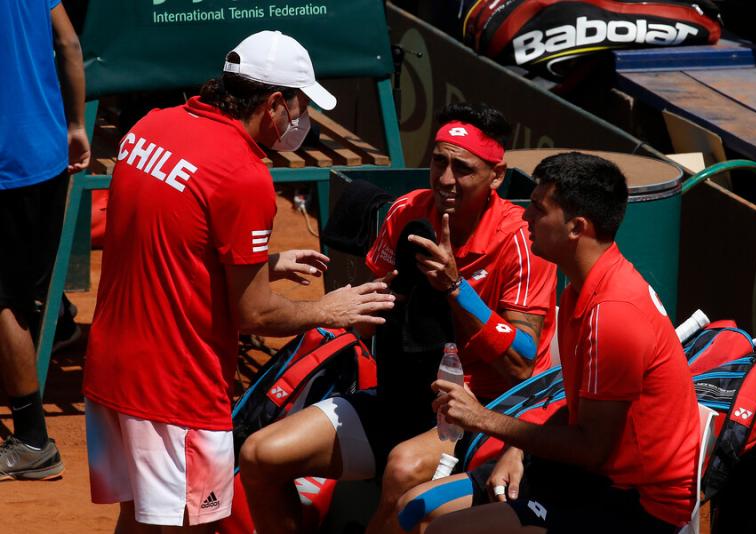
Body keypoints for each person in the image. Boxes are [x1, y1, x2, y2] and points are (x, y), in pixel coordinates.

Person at [81, 30, 395, 532]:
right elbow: (257, 315)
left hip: (111, 372)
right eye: (299, 106)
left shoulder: (151, 128)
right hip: (175, 390)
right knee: (195, 525)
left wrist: (262, 263)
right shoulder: (243, 174)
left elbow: (167, 245)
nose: (301, 121)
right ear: (273, 102)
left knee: (141, 520)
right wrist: (327, 309)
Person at [238, 102, 558, 534]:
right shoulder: (407, 210)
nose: (446, 179)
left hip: (478, 411)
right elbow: (367, 326)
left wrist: (455, 289)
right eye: (438, 162)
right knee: (260, 454)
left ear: (496, 177)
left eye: (462, 168)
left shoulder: (520, 239)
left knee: (404, 468)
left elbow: (521, 362)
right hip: (402, 396)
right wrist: (368, 307)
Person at [397, 152, 699, 534]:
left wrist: (482, 419)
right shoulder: (581, 290)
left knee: (444, 530)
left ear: (576, 227)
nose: (526, 218)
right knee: (415, 508)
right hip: (590, 473)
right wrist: (518, 446)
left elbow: (593, 449)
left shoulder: (613, 315)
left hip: (636, 503)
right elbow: (581, 414)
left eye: (538, 209)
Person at [0, 0, 90, 481]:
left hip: (7, 169)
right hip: (46, 157)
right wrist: (75, 125)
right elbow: (70, 44)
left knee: (5, 300)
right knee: (20, 292)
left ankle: (32, 440)